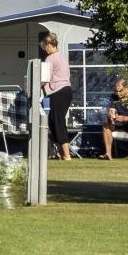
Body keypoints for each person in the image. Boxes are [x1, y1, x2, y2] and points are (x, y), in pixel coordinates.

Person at [40, 32, 73, 161]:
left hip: (58, 92)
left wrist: (35, 85)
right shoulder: (63, 57)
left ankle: (67, 155)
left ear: (49, 45)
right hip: (66, 91)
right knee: (54, 121)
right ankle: (62, 154)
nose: (44, 49)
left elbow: (45, 78)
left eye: (44, 46)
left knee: (58, 122)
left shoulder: (50, 58)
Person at [102, 77, 128, 159]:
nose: (118, 93)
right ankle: (108, 154)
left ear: (126, 88)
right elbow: (112, 110)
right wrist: (111, 117)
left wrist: (125, 118)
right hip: (119, 121)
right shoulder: (113, 97)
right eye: (116, 91)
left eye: (120, 91)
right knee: (106, 125)